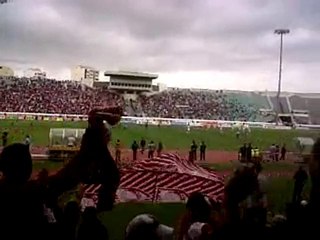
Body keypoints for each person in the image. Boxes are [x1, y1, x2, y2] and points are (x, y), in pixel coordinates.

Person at [0, 107, 122, 240]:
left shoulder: (32, 190)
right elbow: (72, 172)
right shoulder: (35, 191)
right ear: (28, 168)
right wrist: (73, 206)